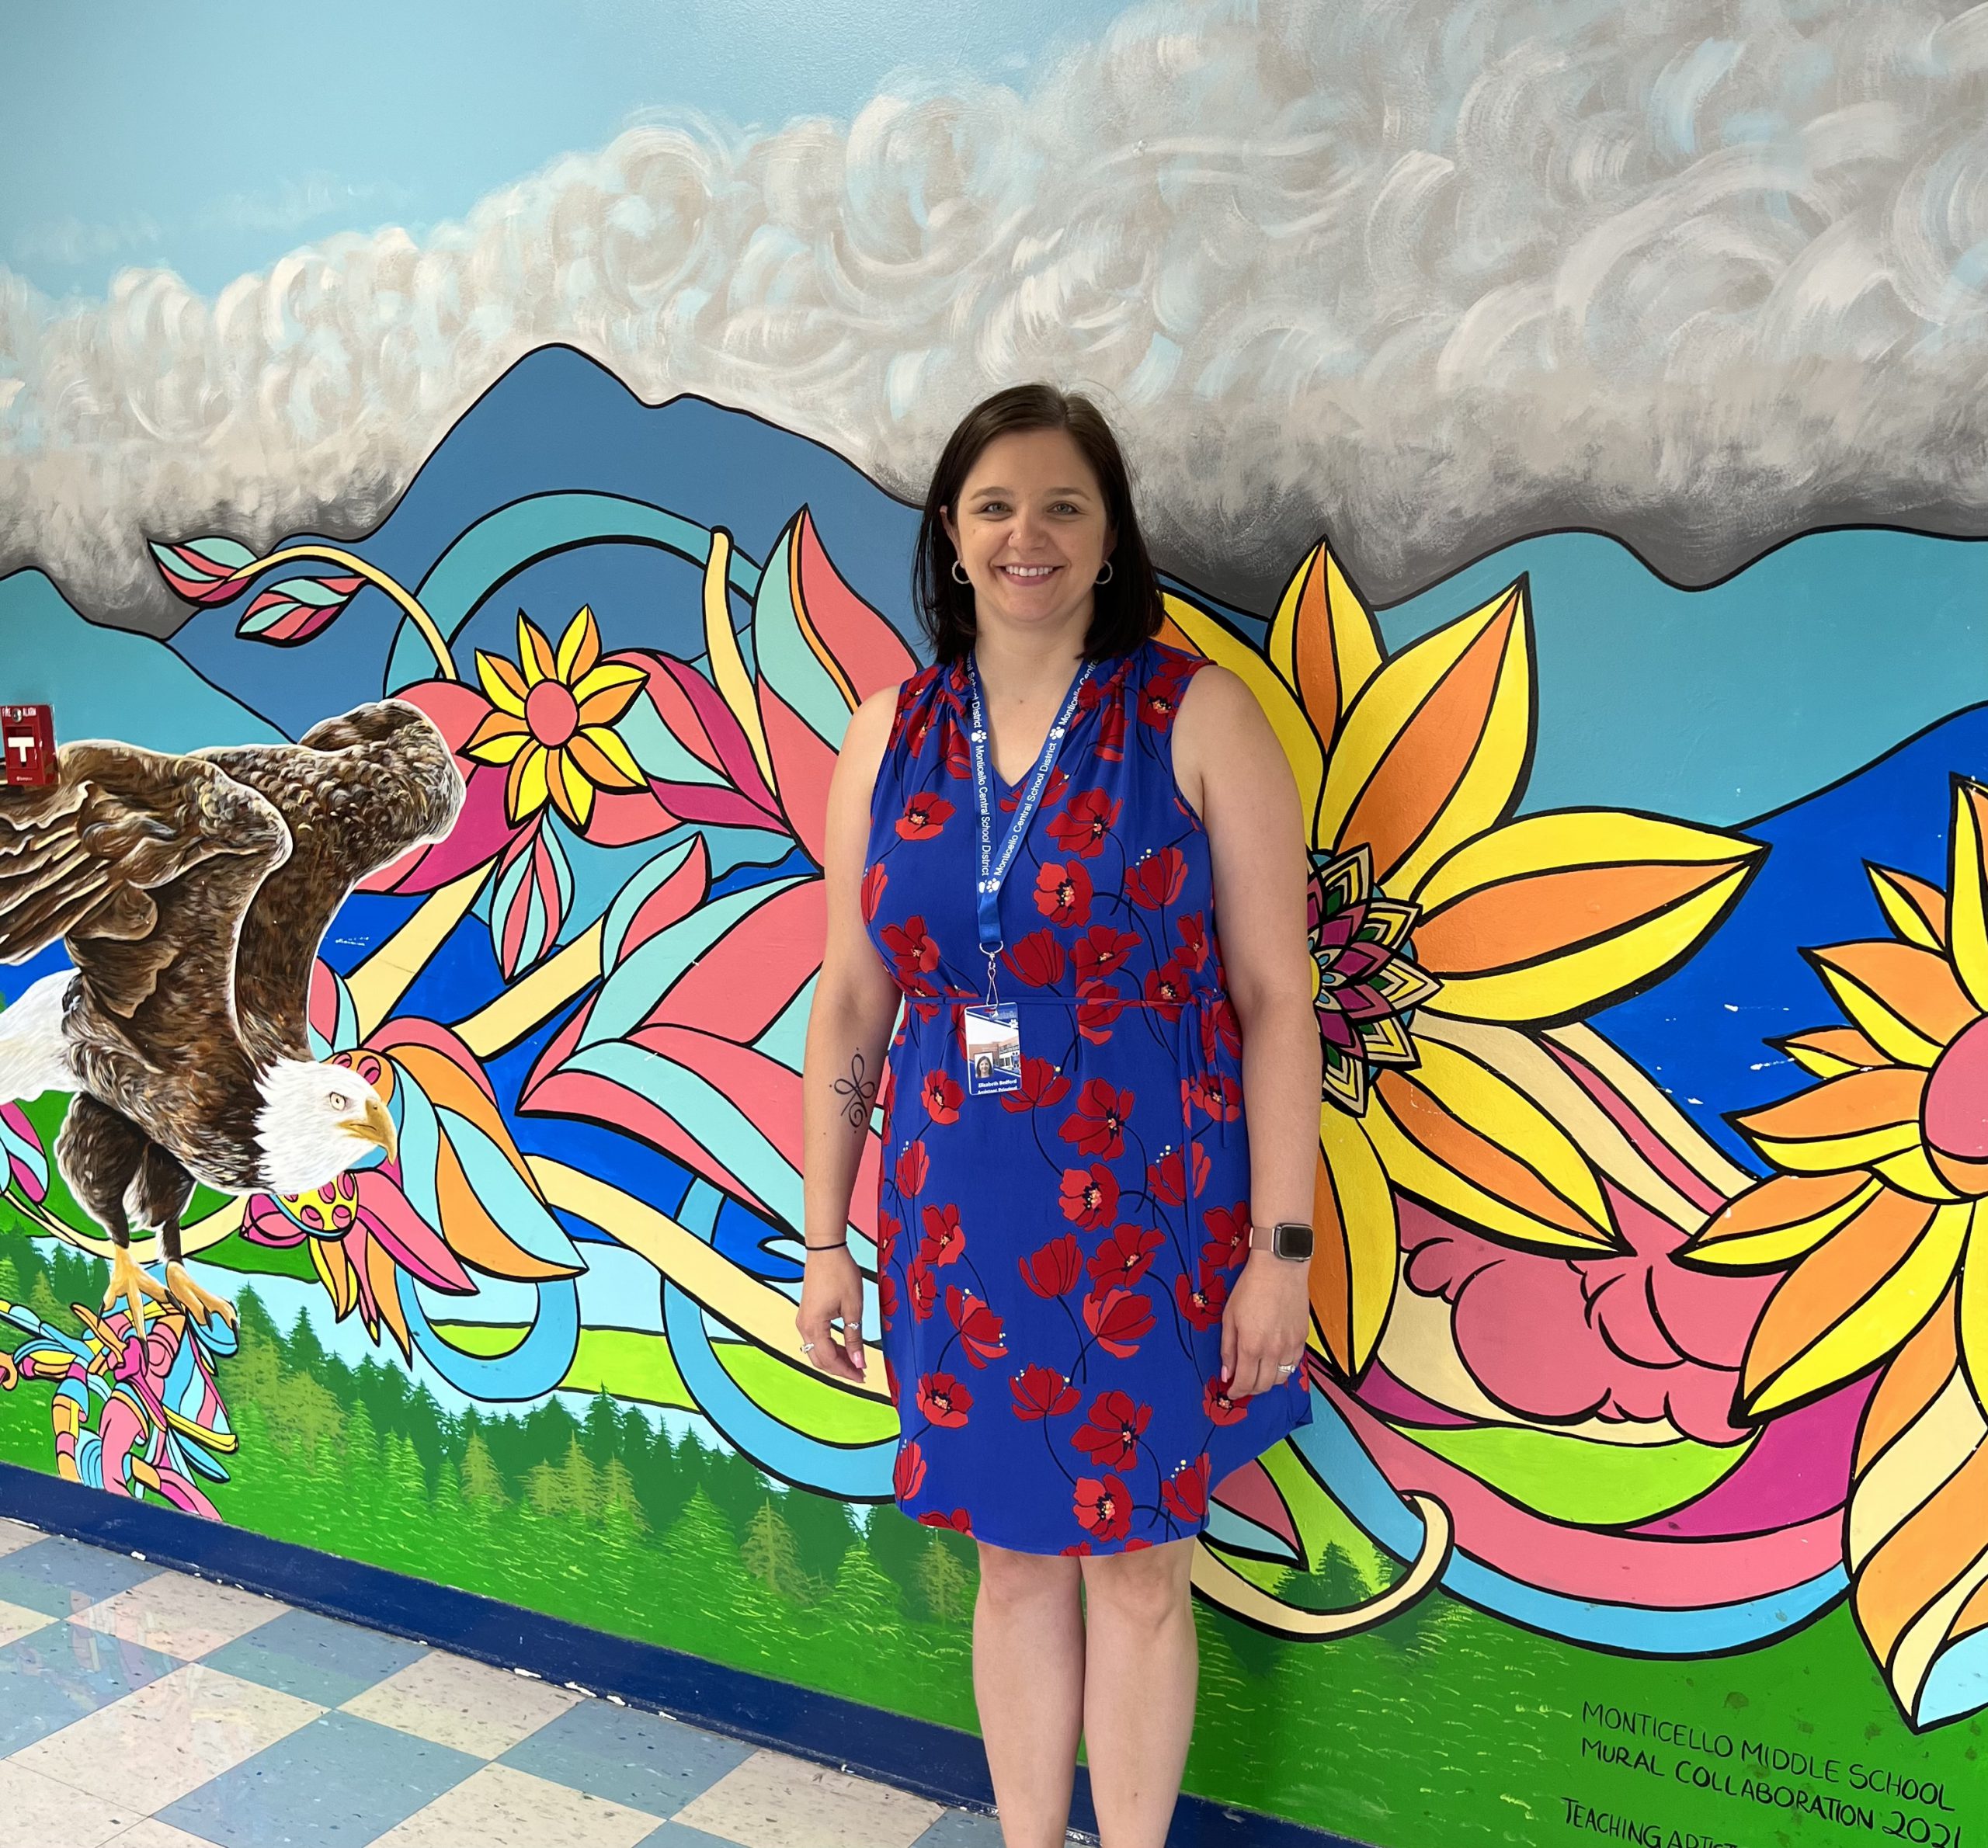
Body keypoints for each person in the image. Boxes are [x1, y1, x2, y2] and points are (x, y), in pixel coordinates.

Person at [798, 383, 1319, 1847]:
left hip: (1155, 1221)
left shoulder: (1197, 715)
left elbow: (1280, 999)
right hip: (959, 1215)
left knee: (1142, 1567)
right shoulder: (890, 732)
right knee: (1015, 1562)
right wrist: (825, 1240)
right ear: (952, 540)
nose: (1028, 534)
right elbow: (852, 1002)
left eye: (1063, 505)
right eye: (996, 506)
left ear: (1109, 537)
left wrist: (1282, 1246)